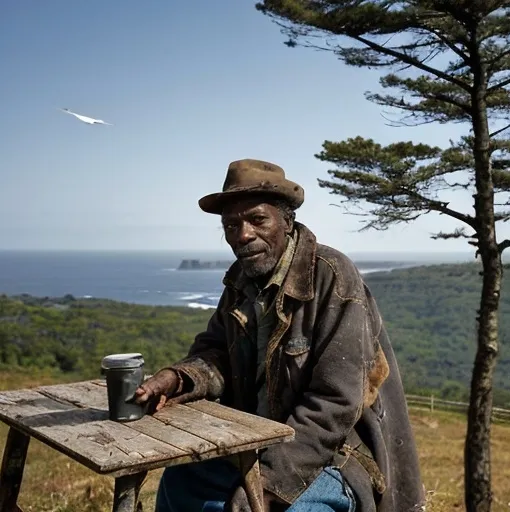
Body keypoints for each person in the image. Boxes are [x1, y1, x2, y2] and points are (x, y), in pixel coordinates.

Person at [135, 159, 425, 512]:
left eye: (257, 220)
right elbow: (217, 351)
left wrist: (270, 482)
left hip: (332, 456)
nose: (242, 235)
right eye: (231, 225)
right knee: (179, 482)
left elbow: (335, 403)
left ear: (287, 221)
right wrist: (178, 378)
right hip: (255, 443)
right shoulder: (240, 281)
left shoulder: (332, 276)